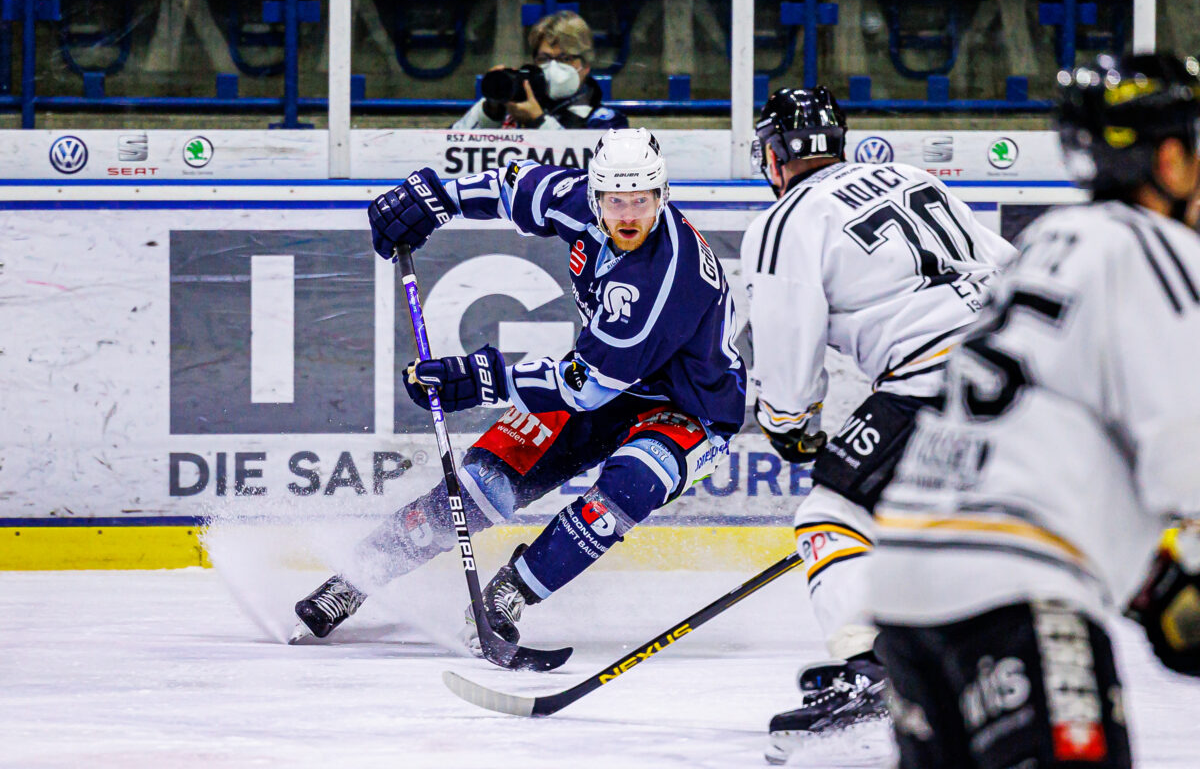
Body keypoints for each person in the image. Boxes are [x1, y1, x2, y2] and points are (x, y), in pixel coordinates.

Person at [291, 128, 745, 659]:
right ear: (596, 195)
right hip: (604, 378)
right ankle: (356, 578)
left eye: (641, 202)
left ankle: (511, 591)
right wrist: (435, 198)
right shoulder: (581, 203)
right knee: (484, 485)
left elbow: (587, 388)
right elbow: (514, 184)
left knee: (632, 483)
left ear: (662, 196)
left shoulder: (667, 277)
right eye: (616, 201)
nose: (628, 217)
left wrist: (484, 379)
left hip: (688, 409)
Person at [869, 52, 1200, 769]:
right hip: (1013, 591)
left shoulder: (1044, 243)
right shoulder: (1163, 251)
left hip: (901, 583)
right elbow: (1181, 460)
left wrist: (1150, 574)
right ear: (1171, 159)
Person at [738, 87, 1018, 763]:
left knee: (830, 517)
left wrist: (789, 422)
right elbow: (1007, 262)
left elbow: (789, 344)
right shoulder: (913, 175)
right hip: (1020, 358)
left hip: (932, 374)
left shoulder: (784, 221)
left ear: (774, 155)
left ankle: (869, 672)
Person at [452, 11, 627, 131]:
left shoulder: (606, 121)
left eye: (565, 59)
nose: (553, 67)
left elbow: (587, 175)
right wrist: (491, 109)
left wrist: (538, 122)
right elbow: (446, 148)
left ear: (586, 65)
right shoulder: (513, 104)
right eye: (544, 59)